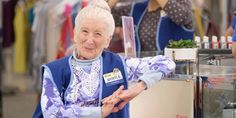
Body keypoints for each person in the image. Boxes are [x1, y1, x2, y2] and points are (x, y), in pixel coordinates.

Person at [33, 0, 175, 118]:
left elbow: (167, 63)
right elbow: (51, 113)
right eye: (84, 31)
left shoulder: (120, 64)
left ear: (107, 41)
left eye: (98, 34)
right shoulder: (54, 71)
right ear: (75, 34)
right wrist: (99, 112)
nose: (90, 40)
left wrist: (138, 88)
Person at [108, 0, 194, 56]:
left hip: (178, 72)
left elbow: (182, 17)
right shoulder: (137, 8)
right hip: (144, 72)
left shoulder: (182, 4)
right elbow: (104, 17)